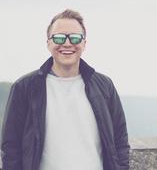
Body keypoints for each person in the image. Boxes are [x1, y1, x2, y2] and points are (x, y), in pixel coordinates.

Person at [1, 9, 129, 170]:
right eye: (59, 37)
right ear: (48, 43)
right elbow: (11, 147)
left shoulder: (104, 86)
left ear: (84, 43)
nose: (67, 44)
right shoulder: (24, 88)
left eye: (75, 38)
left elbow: (120, 140)